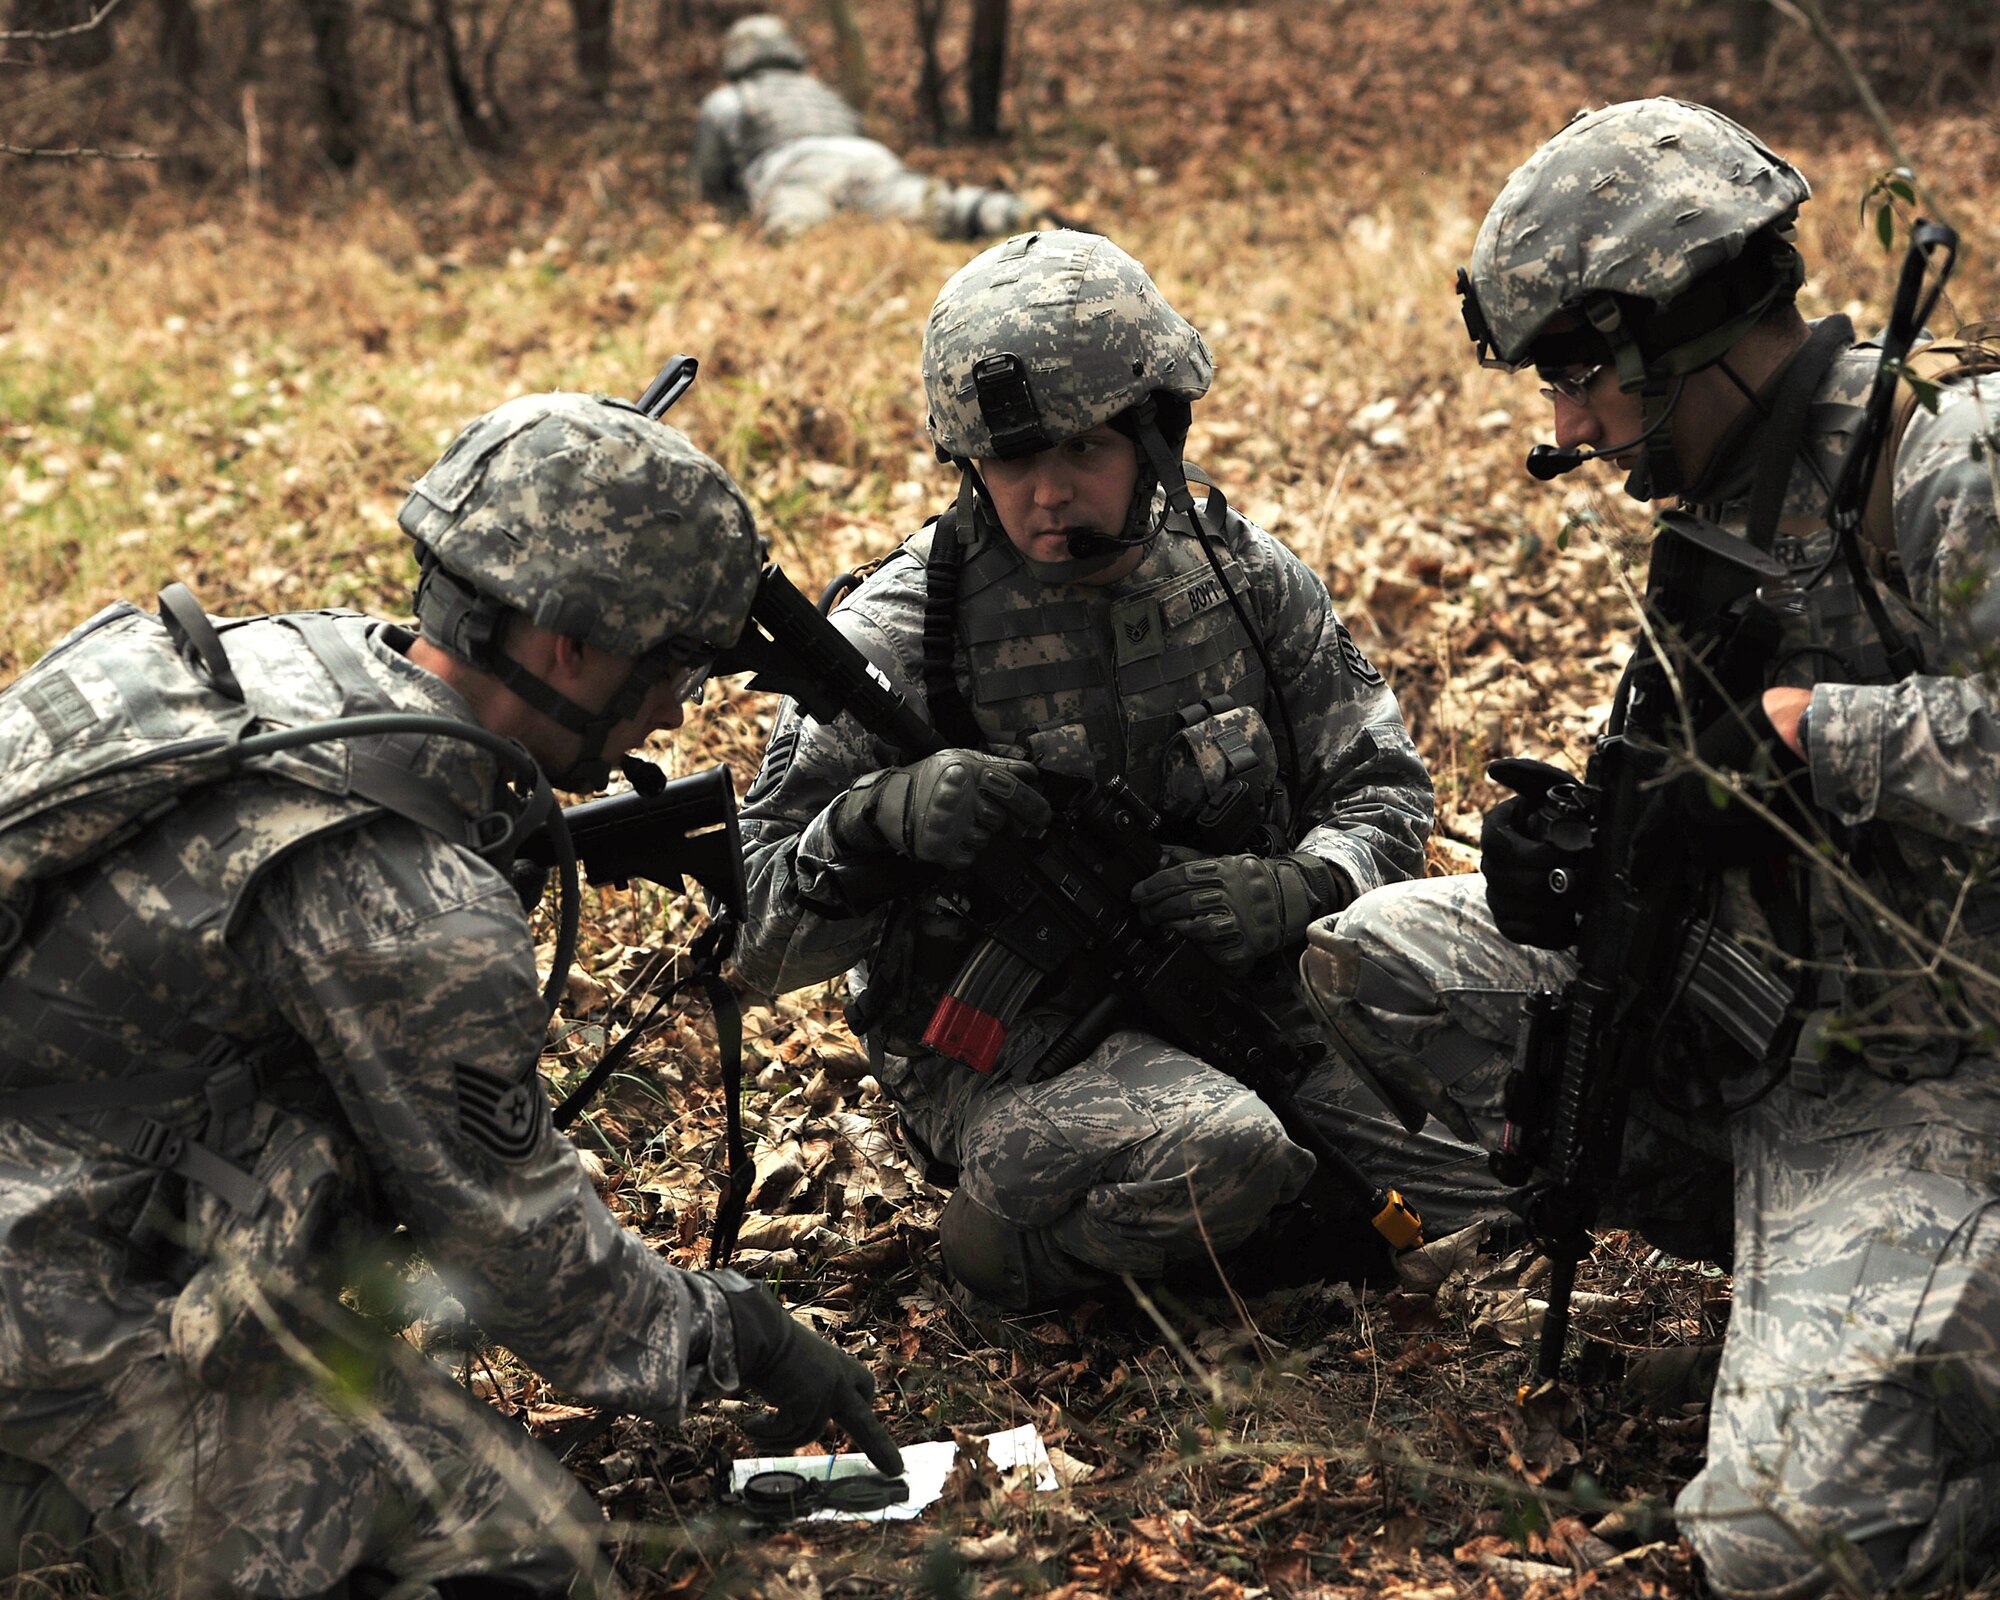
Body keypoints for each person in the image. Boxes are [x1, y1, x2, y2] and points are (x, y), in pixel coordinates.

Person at [0, 392, 901, 1596]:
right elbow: (534, 1263)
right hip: (49, 1315)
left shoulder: (278, 666)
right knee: (536, 1561)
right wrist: (737, 1331)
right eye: (665, 666)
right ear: (569, 643)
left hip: (57, 1173)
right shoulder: (411, 899)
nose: (676, 709)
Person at [1301, 98, 2000, 1597]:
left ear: (1688, 319)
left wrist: (1825, 736)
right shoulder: (1727, 493)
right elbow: (1711, 779)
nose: (1566, 427)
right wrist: (1599, 842)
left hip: (1940, 1071)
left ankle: (1889, 1315)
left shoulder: (1945, 455)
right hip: (1773, 1022)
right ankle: (1807, 1280)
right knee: (1374, 961)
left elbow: (1821, 736)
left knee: (1776, 1554)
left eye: (1579, 371)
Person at [733, 228, 1495, 1315]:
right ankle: (1012, 1253)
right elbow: (754, 939)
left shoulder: (1240, 581)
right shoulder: (902, 635)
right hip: (1010, 1052)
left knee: (1490, 1180)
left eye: (1081, 449)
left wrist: (1307, 883)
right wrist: (868, 829)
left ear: (1155, 433)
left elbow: (1379, 785)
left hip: (1238, 1006)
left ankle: (1262, 1232)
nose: (1047, 495)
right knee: (1225, 1150)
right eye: (1011, 461)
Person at [692, 13, 1039, 240]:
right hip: (867, 158)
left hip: (792, 169)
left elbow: (711, 180)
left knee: (803, 236)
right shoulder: (823, 91)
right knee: (933, 206)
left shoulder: (729, 98)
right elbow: (857, 127)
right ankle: (1014, 213)